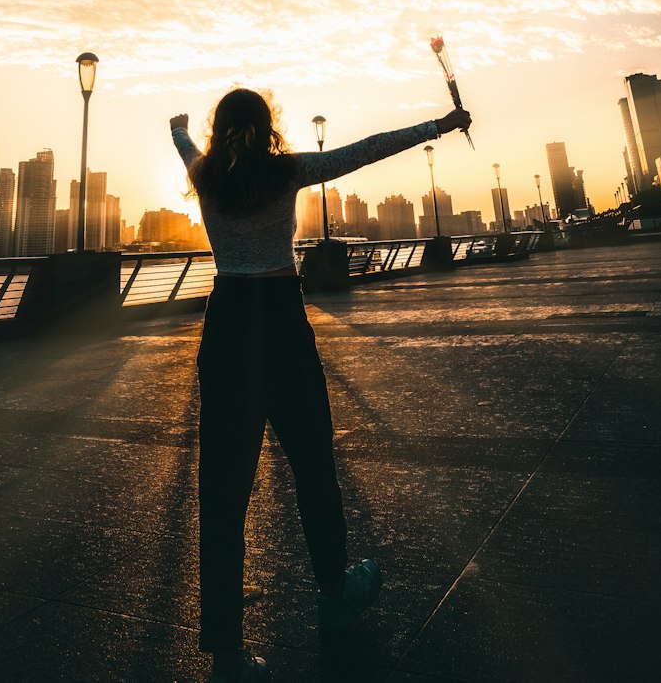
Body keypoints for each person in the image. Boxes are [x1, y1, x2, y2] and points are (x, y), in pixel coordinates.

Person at [170, 89, 472, 683]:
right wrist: (439, 122)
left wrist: (180, 131)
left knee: (224, 488)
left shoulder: (204, 172)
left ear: (218, 129)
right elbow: (366, 151)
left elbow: (184, 148)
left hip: (228, 325)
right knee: (312, 464)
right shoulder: (290, 170)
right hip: (281, 323)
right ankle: (334, 591)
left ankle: (228, 652)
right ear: (269, 125)